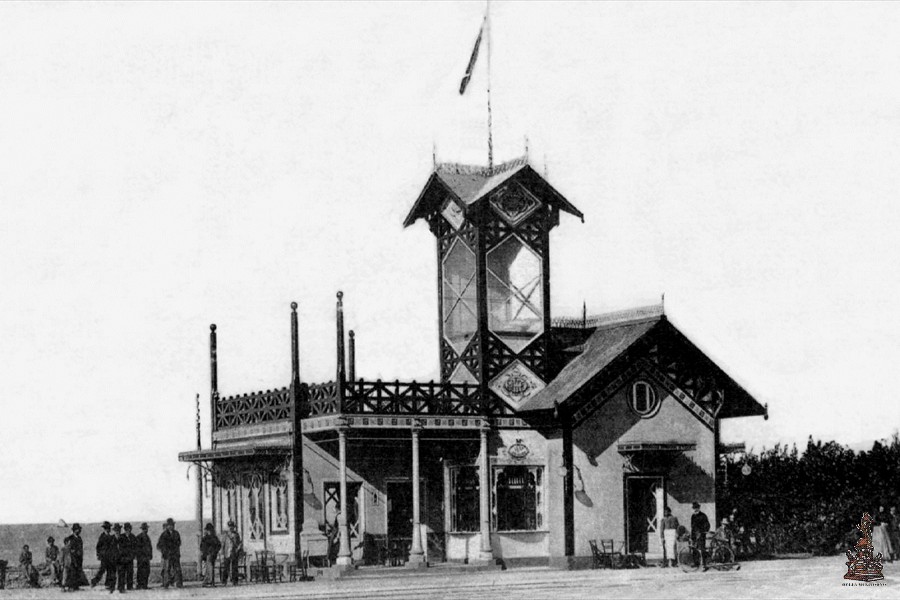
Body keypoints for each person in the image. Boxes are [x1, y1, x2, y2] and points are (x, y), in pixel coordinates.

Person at [156, 517, 183, 588]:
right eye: (169, 525)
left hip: (175, 555)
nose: (171, 526)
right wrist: (165, 551)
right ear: (167, 526)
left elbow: (179, 543)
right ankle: (166, 584)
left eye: (172, 525)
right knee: (167, 569)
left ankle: (178, 583)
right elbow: (159, 545)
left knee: (177, 569)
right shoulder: (164, 534)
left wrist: (175, 549)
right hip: (167, 555)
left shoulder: (176, 533)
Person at [91, 521, 117, 590]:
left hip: (110, 557)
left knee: (110, 570)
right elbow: (98, 547)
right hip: (104, 557)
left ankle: (108, 584)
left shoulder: (111, 537)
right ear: (104, 529)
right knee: (102, 570)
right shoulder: (102, 536)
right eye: (107, 528)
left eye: (109, 528)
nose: (108, 529)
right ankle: (94, 581)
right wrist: (99, 555)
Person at [63, 523, 88, 592]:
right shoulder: (70, 538)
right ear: (74, 530)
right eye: (77, 529)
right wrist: (72, 552)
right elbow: (67, 546)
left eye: (79, 529)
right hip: (72, 558)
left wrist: (81, 556)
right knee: (72, 572)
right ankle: (70, 586)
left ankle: (76, 586)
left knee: (77, 571)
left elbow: (81, 548)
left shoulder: (80, 538)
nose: (79, 531)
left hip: (79, 558)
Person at [221, 520, 243, 586]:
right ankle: (224, 581)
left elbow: (239, 543)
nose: (231, 528)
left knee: (234, 568)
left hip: (234, 552)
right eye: (229, 526)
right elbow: (223, 545)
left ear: (234, 527)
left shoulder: (236, 534)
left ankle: (235, 581)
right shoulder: (225, 535)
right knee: (226, 568)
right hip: (227, 553)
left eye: (232, 526)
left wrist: (238, 548)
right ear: (228, 527)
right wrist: (222, 554)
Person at [200, 523, 222, 587]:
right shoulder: (205, 538)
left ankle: (208, 582)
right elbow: (201, 547)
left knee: (209, 568)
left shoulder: (213, 538)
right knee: (209, 568)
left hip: (212, 555)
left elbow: (219, 545)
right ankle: (209, 582)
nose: (209, 531)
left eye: (210, 530)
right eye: (208, 530)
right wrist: (206, 552)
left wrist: (215, 551)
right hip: (208, 555)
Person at [690, 502, 710, 570]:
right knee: (694, 549)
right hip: (694, 535)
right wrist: (692, 535)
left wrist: (703, 531)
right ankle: (696, 563)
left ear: (699, 508)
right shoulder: (693, 516)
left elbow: (707, 524)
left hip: (701, 535)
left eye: (696, 508)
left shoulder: (703, 515)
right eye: (694, 508)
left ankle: (704, 564)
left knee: (702, 549)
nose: (695, 509)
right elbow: (692, 526)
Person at [134, 523, 152, 590]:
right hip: (141, 558)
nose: (145, 530)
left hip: (146, 558)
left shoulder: (147, 537)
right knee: (140, 571)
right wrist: (138, 555)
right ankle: (139, 585)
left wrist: (150, 555)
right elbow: (136, 548)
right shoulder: (138, 537)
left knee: (147, 571)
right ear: (141, 529)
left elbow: (150, 547)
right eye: (144, 529)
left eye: (146, 529)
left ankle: (145, 585)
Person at [110, 523, 127, 593]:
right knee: (112, 574)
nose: (117, 531)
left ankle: (121, 588)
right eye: (116, 530)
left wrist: (125, 557)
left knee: (121, 574)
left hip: (121, 559)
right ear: (114, 531)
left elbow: (126, 549)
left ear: (120, 530)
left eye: (118, 530)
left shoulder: (123, 539)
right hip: (113, 559)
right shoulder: (111, 539)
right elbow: (109, 549)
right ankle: (112, 588)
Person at [121, 523, 136, 591]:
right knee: (122, 572)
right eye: (126, 529)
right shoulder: (121, 537)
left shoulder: (133, 537)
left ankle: (129, 586)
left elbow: (135, 547)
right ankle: (122, 586)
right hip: (123, 558)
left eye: (129, 529)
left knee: (130, 572)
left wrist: (133, 555)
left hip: (130, 558)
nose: (128, 530)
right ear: (124, 529)